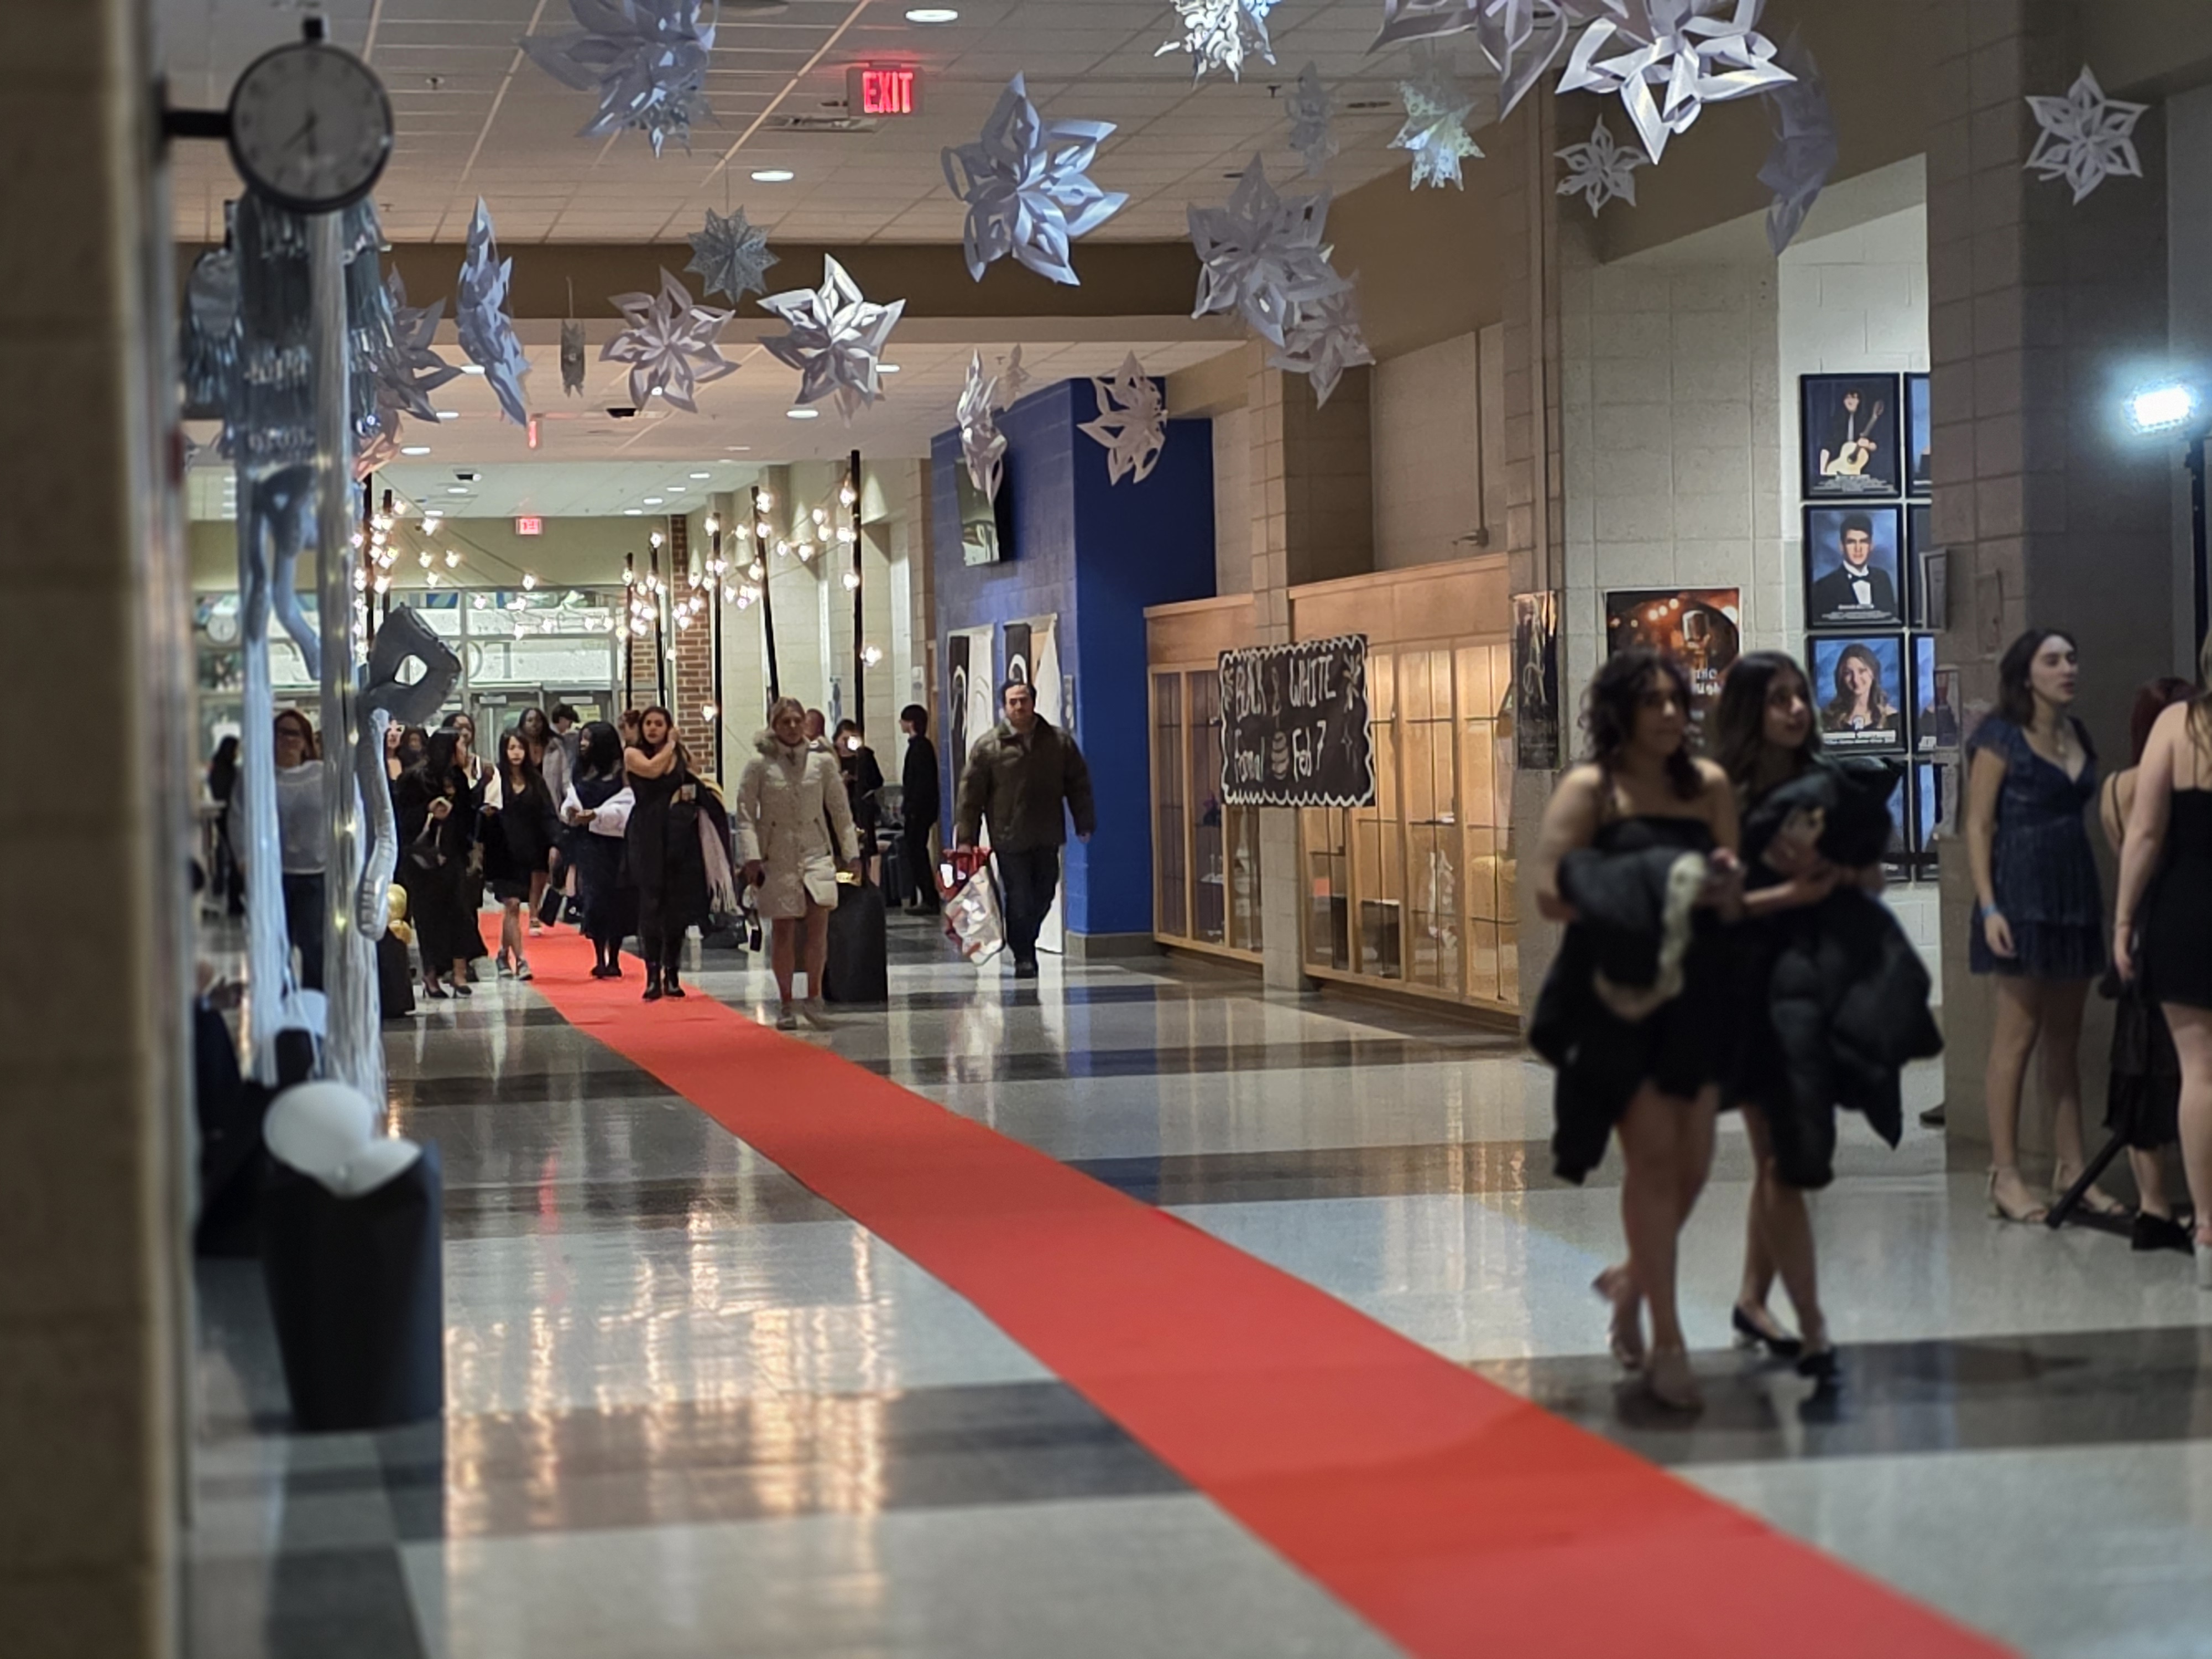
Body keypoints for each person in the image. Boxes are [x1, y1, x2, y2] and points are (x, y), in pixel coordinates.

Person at [1526, 649, 1741, 1410]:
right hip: (1617, 995)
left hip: (1695, 987)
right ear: (1620, 712)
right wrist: (1632, 903)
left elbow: (1729, 885)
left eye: (1677, 700)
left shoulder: (1709, 786)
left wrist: (1723, 883)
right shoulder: (1593, 790)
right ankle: (1667, 1336)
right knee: (1651, 1157)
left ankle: (1628, 1280)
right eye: (1652, 702)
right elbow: (1551, 890)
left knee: (1695, 1161)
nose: (1670, 714)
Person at [1709, 653, 1894, 1386]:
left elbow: (1872, 878)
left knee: (1776, 1162)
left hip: (1815, 983)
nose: (1793, 709)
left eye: (1797, 697)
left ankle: (1754, 1300)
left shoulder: (1827, 784)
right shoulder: (1721, 792)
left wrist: (1838, 871)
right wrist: (1785, 893)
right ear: (1750, 710)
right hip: (1750, 989)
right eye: (1777, 698)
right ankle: (1814, 1329)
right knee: (1785, 1159)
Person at [1966, 628, 2117, 1224]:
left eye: (2072, 658)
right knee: (2017, 1035)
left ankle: (2072, 1170)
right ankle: (2004, 1173)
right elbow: (1978, 825)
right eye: (2052, 660)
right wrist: (1988, 906)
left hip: (2072, 886)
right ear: (2025, 673)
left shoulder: (2075, 733)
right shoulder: (2000, 736)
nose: (2067, 668)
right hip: (2020, 889)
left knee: (2065, 1039)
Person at [2115, 640, 2212, 1288]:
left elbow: (2145, 832)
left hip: (2188, 910)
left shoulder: (2179, 724)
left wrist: (2123, 919)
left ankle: (2207, 1225)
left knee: (2200, 1071)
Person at [2100, 677, 2197, 1254]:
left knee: (2138, 1075)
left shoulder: (2116, 788)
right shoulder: (2190, 779)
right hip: (2185, 927)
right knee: (2195, 1073)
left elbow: (2131, 852)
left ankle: (2152, 1206)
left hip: (2141, 930)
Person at [955, 680, 1097, 978]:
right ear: (1004, 707)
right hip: (1009, 837)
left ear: (1033, 702)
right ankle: (1024, 954)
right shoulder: (988, 747)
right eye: (1013, 702)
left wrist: (1084, 822)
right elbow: (971, 796)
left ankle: (1024, 939)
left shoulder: (1058, 743)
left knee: (1044, 893)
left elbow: (1078, 785)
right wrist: (966, 838)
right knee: (1020, 898)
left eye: (1024, 700)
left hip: (1047, 834)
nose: (1019, 706)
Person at [739, 698, 859, 1030]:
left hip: (815, 851)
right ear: (773, 725)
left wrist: (852, 854)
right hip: (778, 854)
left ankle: (815, 996)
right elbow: (747, 814)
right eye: (785, 722)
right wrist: (751, 856)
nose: (792, 727)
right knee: (784, 928)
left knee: (819, 923)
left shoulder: (822, 763)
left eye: (797, 721)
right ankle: (787, 1000)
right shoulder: (759, 765)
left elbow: (840, 811)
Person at [623, 706, 722, 1001]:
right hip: (647, 834)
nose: (653, 729)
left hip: (677, 835)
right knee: (651, 906)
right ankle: (652, 975)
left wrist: (677, 748)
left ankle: (673, 972)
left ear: (669, 726)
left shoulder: (676, 754)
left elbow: (690, 772)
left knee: (675, 908)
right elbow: (653, 770)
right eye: (649, 724)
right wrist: (671, 744)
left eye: (660, 724)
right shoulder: (632, 754)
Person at [394, 729, 479, 999]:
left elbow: (468, 818)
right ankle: (430, 976)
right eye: (460, 746)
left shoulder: (458, 780)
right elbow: (402, 818)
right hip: (421, 861)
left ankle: (459, 973)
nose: (465, 751)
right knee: (429, 919)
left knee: (460, 913)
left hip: (452, 855)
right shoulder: (414, 778)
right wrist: (428, 810)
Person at [560, 722, 637, 980]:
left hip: (615, 845)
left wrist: (597, 816)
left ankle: (614, 956)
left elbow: (627, 807)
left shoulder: (621, 774)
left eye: (588, 740)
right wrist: (570, 812)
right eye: (582, 739)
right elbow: (570, 799)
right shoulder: (581, 772)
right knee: (595, 899)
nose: (583, 744)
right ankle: (599, 957)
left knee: (617, 898)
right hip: (588, 845)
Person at [484, 728, 559, 982]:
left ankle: (503, 954)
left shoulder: (535, 781)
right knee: (512, 905)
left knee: (513, 908)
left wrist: (555, 843)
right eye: (511, 748)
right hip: (501, 851)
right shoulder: (495, 779)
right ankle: (522, 960)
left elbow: (548, 814)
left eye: (520, 747)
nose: (516, 753)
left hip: (527, 852)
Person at [272, 710, 327, 993]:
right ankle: (282, 1007)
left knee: (314, 944)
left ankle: (315, 1006)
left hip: (314, 873)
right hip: (276, 874)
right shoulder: (264, 780)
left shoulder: (320, 776)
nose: (286, 740)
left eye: (293, 734)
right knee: (277, 945)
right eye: (281, 733)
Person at [518, 707, 565, 925]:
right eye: (529, 720)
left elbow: (564, 780)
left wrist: (566, 808)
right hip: (525, 811)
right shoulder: (517, 747)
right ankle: (530, 904)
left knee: (545, 862)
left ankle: (535, 908)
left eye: (537, 720)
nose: (534, 725)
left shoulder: (555, 747)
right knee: (528, 862)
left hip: (550, 808)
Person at [1808, 514, 1899, 624]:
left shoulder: (1883, 578)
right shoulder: (1824, 586)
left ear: (1871, 546)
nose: (1858, 549)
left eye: (1863, 542)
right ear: (1841, 546)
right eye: (1851, 542)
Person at [900, 704, 941, 914]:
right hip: (918, 810)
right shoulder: (919, 747)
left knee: (917, 852)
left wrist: (913, 808)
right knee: (915, 852)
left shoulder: (921, 748)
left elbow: (920, 783)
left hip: (918, 811)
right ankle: (927, 895)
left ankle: (929, 896)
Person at [833, 719, 885, 882]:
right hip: (841, 808)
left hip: (861, 807)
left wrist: (859, 780)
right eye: (844, 740)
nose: (848, 744)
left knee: (868, 848)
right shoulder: (832, 758)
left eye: (852, 739)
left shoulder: (865, 756)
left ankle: (870, 882)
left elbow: (877, 781)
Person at [1820, 643, 1900, 738]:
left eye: (1862, 671)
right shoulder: (1826, 719)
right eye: (1848, 673)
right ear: (1841, 677)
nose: (1856, 679)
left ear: (1873, 673)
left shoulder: (1892, 718)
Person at [207, 734, 244, 916]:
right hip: (229, 817)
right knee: (235, 857)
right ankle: (234, 899)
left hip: (225, 817)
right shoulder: (227, 771)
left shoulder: (220, 768)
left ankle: (233, 897)